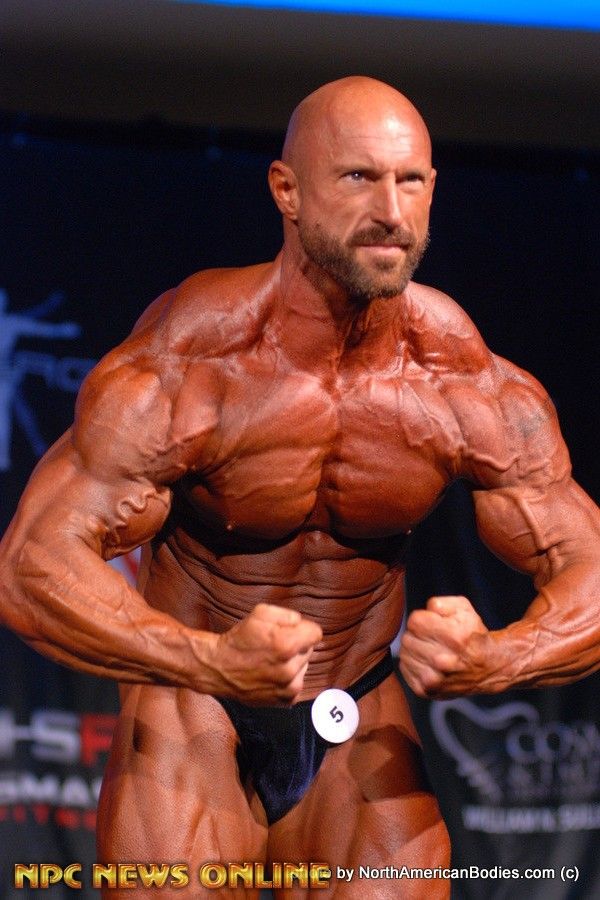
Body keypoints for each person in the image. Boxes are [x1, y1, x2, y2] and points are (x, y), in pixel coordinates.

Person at [1, 75, 600, 898]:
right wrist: (210, 661)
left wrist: (499, 659)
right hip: (196, 705)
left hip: (356, 701)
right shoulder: (194, 361)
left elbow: (588, 565)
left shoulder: (464, 383)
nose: (391, 210)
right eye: (359, 178)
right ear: (287, 190)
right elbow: (30, 567)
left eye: (411, 180)